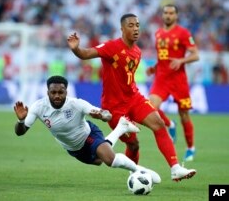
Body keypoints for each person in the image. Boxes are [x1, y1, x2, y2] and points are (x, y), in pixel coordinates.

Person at [67, 13, 196, 181]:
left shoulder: (137, 51)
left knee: (159, 124)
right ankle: (133, 175)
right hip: (114, 107)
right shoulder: (111, 47)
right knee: (133, 145)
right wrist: (76, 48)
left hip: (134, 98)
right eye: (131, 25)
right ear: (122, 29)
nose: (135, 29)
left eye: (137, 25)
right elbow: (86, 54)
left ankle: (175, 168)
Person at [13, 75, 161, 184]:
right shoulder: (38, 107)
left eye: (61, 92)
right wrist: (20, 120)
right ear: (47, 93)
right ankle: (121, 127)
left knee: (110, 160)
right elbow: (20, 132)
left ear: (66, 91)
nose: (57, 96)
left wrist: (104, 115)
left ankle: (140, 171)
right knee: (99, 161)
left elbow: (100, 112)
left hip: (89, 134)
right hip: (73, 148)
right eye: (53, 92)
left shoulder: (76, 103)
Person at [146, 4, 200, 162]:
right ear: (162, 15)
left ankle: (190, 148)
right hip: (161, 78)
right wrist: (155, 68)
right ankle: (170, 124)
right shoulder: (158, 33)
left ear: (176, 16)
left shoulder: (183, 33)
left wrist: (181, 60)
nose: (168, 15)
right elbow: (163, 57)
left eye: (171, 13)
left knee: (184, 115)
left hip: (178, 80)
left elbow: (196, 55)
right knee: (151, 107)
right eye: (166, 13)